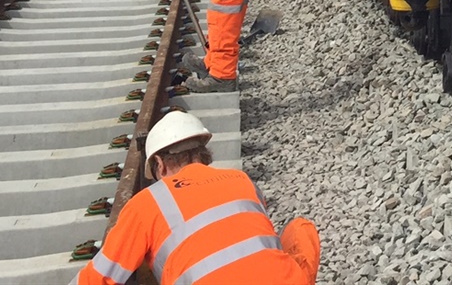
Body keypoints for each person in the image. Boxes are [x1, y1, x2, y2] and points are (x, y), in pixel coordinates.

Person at [75, 109, 319, 285]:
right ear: (204, 153)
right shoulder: (242, 180)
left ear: (159, 164)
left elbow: (101, 278)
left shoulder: (148, 202)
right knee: (300, 228)